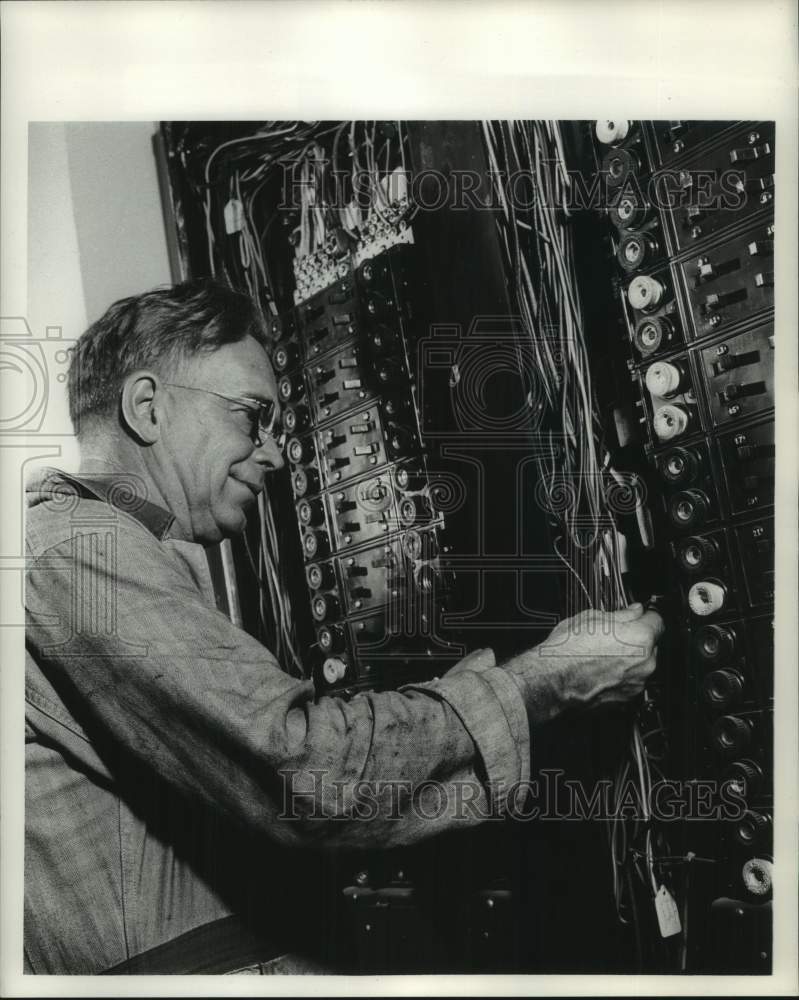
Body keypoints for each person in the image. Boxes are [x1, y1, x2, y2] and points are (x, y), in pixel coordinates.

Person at [24, 279, 663, 974]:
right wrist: (544, 682)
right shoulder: (80, 550)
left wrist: (445, 712)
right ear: (146, 407)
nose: (273, 454)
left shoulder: (77, 546)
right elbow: (305, 772)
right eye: (250, 416)